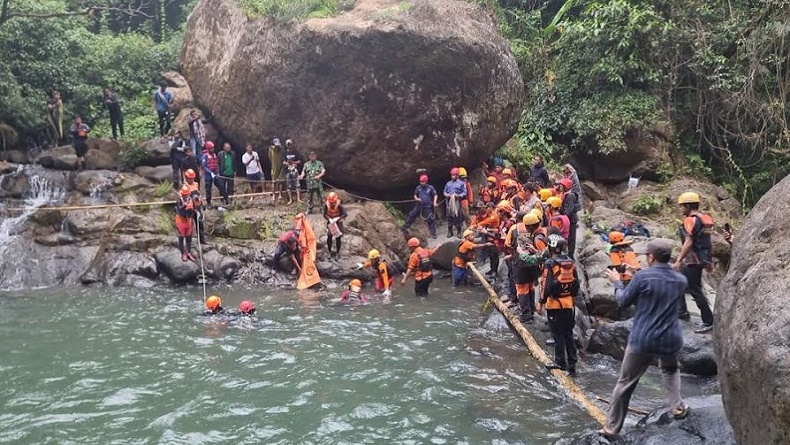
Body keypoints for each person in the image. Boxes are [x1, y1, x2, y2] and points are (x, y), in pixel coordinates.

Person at [600, 239, 689, 437]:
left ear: (651, 257)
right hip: (670, 338)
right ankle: (677, 406)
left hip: (644, 338)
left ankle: (611, 428)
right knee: (670, 369)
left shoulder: (642, 278)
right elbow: (658, 289)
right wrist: (636, 275)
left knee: (625, 383)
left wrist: (617, 282)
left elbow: (623, 301)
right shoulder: (680, 280)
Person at [673, 192, 715, 333]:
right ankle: (682, 312)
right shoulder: (704, 218)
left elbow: (689, 241)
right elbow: (706, 242)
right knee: (679, 282)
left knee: (695, 289)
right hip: (701, 258)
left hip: (693, 260)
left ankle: (708, 321)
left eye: (682, 206)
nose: (680, 209)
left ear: (688, 206)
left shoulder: (690, 220)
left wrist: (678, 260)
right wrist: (709, 263)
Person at [538, 234, 580, 375]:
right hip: (569, 304)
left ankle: (560, 363)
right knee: (568, 333)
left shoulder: (550, 263)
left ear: (551, 247)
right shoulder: (571, 262)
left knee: (557, 335)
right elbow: (576, 285)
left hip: (554, 305)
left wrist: (541, 302)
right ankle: (572, 365)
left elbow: (545, 285)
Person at [509, 212, 548, 323]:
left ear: (530, 225)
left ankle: (526, 316)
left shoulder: (537, 237)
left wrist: (521, 252)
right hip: (533, 267)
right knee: (530, 287)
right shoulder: (541, 232)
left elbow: (543, 255)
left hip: (523, 265)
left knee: (522, 289)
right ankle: (531, 311)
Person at [401, 174, 438, 239]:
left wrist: (434, 202)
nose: (422, 183)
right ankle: (405, 227)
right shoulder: (418, 188)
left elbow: (435, 195)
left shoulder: (430, 188)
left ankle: (433, 234)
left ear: (426, 181)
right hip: (419, 205)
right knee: (412, 215)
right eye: (421, 182)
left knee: (430, 219)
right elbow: (415, 195)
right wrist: (417, 199)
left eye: (423, 182)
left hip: (427, 206)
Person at [472, 202, 501, 278]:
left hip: (494, 237)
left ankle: (495, 271)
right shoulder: (488, 215)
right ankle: (492, 269)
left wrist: (477, 225)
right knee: (491, 255)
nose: (486, 209)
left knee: (494, 255)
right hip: (489, 236)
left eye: (487, 207)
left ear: (491, 207)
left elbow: (485, 222)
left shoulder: (493, 216)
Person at [557, 178, 579, 259]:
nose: (560, 186)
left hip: (571, 220)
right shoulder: (565, 194)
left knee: (571, 238)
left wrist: (564, 217)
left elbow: (570, 209)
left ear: (565, 186)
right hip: (568, 219)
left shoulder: (570, 195)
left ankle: (570, 255)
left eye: (561, 185)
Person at [184, 169, 206, 245]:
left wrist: (202, 203)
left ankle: (202, 239)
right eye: (190, 178)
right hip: (190, 208)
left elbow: (199, 194)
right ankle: (188, 240)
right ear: (186, 178)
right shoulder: (185, 186)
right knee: (189, 225)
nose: (191, 179)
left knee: (200, 224)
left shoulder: (195, 184)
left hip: (198, 206)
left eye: (192, 178)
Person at [444, 168, 467, 238]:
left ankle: (459, 231)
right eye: (452, 175)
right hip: (449, 202)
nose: (452, 176)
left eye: (454, 175)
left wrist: (458, 195)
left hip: (457, 202)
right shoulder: (448, 184)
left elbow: (465, 192)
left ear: (457, 175)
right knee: (449, 216)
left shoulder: (462, 183)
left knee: (458, 216)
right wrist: (446, 195)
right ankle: (450, 231)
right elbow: (444, 191)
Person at [175, 185, 196, 262]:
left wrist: (196, 211)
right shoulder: (179, 201)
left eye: (187, 195)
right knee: (181, 238)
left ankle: (188, 252)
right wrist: (184, 206)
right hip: (180, 220)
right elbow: (179, 210)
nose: (186, 197)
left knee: (189, 238)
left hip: (188, 220)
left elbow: (194, 208)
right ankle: (183, 253)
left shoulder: (191, 200)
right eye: (184, 195)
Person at [323, 192, 347, 258]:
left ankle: (337, 252)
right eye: (331, 202)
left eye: (333, 202)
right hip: (331, 222)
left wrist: (338, 218)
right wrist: (329, 219)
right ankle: (329, 251)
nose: (332, 204)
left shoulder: (339, 206)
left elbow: (345, 214)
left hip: (338, 222)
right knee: (329, 236)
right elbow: (324, 214)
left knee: (338, 237)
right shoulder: (326, 205)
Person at [201, 141, 223, 207]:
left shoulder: (214, 155)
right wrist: (210, 173)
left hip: (215, 174)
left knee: (221, 186)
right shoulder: (205, 156)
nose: (212, 149)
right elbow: (204, 166)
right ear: (208, 148)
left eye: (213, 148)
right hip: (208, 175)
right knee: (208, 189)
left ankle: (226, 199)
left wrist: (217, 173)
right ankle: (208, 203)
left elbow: (216, 164)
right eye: (211, 148)